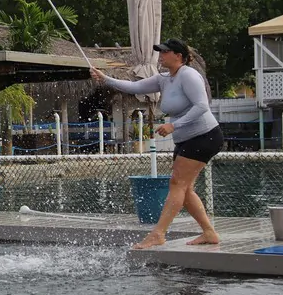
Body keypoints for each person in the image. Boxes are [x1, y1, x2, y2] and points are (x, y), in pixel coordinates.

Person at [90, 38, 223, 250]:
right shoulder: (164, 78)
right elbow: (134, 86)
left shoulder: (188, 75)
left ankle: (158, 234)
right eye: (160, 52)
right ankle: (209, 233)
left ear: (178, 56)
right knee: (185, 189)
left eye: (165, 52)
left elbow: (202, 106)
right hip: (186, 139)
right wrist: (105, 78)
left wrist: (174, 126)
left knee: (177, 185)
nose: (160, 56)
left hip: (204, 136)